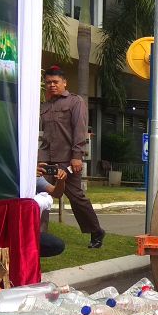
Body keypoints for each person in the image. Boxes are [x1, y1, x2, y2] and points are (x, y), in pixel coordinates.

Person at [39, 66, 105, 248]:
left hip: (66, 160)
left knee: (76, 197)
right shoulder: (45, 105)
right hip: (45, 158)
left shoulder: (75, 102)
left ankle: (96, 231)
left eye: (55, 82)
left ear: (64, 83)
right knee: (42, 195)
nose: (52, 85)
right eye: (48, 83)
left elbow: (80, 130)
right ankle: (39, 236)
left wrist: (77, 156)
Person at [34, 163, 67, 258]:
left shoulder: (35, 175)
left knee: (56, 245)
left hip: (28, 230)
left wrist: (61, 181)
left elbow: (56, 192)